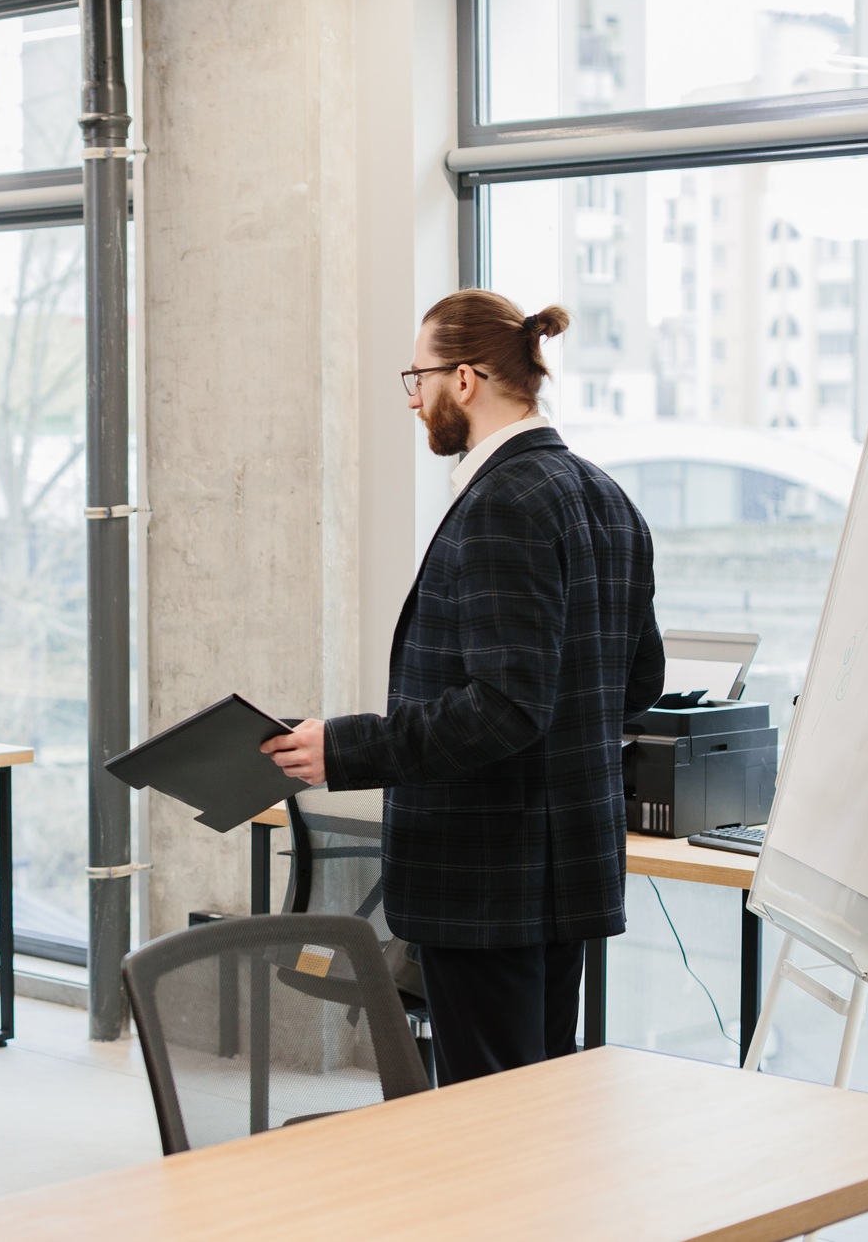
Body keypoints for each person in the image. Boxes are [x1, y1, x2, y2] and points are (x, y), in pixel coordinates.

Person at [263, 290, 664, 1084]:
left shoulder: (500, 505)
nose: (415, 400)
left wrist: (342, 746)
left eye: (420, 378)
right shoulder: (608, 499)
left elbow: (505, 706)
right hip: (562, 872)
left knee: (491, 1133)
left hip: (487, 882)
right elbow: (639, 679)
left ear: (468, 379)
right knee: (539, 1107)